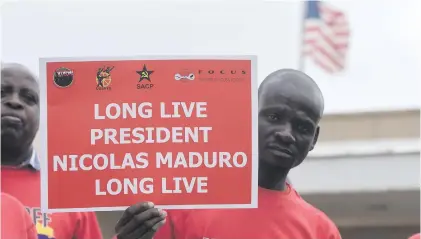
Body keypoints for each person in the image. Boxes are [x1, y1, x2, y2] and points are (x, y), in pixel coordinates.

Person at [114, 69, 342, 239]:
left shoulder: (321, 231)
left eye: (303, 127)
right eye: (274, 117)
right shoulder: (179, 207)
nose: (286, 134)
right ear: (248, 114)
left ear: (314, 139)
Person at [1, 63, 103, 239]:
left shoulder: (69, 195)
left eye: (29, 97)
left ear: (42, 116)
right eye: (2, 93)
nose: (14, 101)